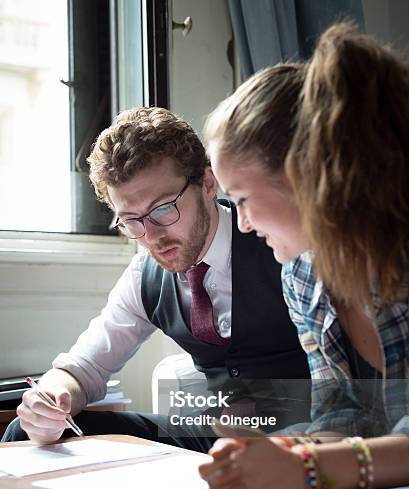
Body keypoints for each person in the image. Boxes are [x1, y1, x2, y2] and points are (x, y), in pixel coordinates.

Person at [199, 23, 409, 489]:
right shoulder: (302, 277)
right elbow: (338, 410)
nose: (240, 224)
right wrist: (272, 455)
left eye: (240, 199)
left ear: (304, 176)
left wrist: (313, 469)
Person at [2, 106, 310, 450]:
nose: (151, 235)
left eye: (163, 208)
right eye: (131, 220)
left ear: (207, 184)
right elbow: (82, 368)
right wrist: (51, 398)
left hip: (305, 433)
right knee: (21, 432)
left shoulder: (278, 241)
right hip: (214, 437)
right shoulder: (144, 277)